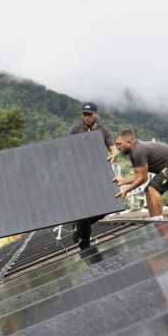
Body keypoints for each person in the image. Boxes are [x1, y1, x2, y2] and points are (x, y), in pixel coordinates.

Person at [67, 101, 118, 249]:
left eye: (89, 114)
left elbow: (114, 150)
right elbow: (66, 148)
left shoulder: (104, 131)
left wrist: (113, 156)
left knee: (107, 207)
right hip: (79, 176)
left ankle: (80, 224)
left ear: (96, 114)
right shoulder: (75, 130)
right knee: (85, 209)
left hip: (98, 175)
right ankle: (85, 245)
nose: (87, 117)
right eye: (84, 114)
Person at [113, 128, 168, 220]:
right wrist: (122, 181)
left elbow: (143, 178)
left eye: (119, 144)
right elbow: (137, 175)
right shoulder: (132, 153)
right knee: (147, 190)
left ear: (129, 142)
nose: (118, 147)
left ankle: (159, 220)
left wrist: (127, 190)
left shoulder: (139, 151)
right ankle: (153, 219)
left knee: (153, 188)